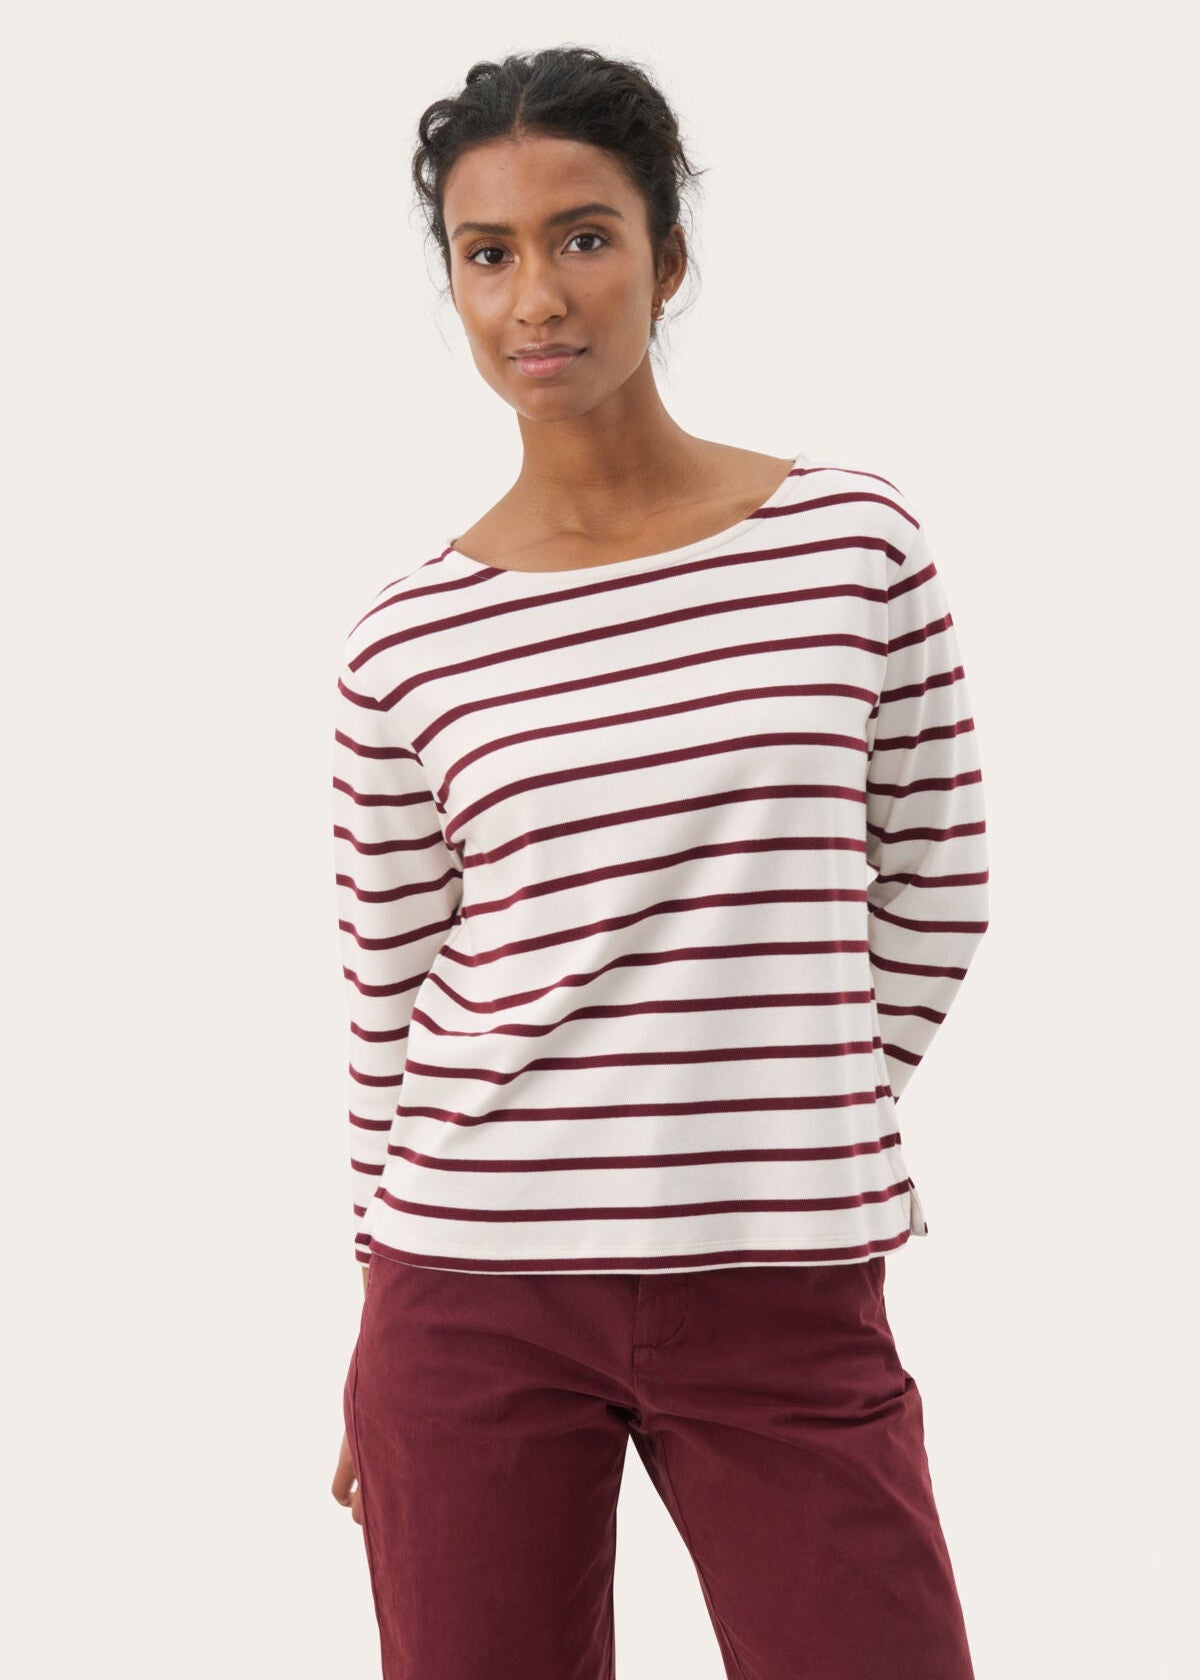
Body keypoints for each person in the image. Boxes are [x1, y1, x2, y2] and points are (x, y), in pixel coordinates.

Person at [328, 44, 989, 1680]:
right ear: (454, 286)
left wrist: (782, 1101)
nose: (537, 297)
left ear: (666, 256)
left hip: (784, 1280)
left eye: (583, 237)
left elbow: (938, 878)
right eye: (488, 253)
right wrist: (370, 1312)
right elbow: (389, 996)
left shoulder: (849, 544)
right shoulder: (406, 642)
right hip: (469, 1290)